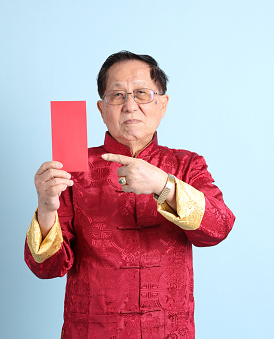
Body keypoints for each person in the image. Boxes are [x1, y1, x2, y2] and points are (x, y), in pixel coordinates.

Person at [24, 51, 235, 339]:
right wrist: (46, 207)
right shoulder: (71, 169)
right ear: (101, 109)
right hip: (91, 331)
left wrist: (164, 185)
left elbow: (219, 228)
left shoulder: (187, 165)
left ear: (163, 104)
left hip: (168, 330)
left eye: (141, 93)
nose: (130, 105)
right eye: (118, 95)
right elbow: (46, 268)